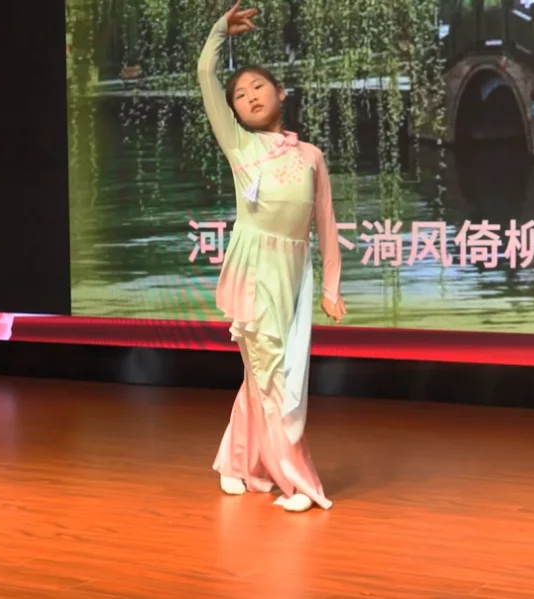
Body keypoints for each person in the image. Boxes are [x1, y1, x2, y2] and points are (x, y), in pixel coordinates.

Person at [197, 0, 346, 513]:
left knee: (264, 374)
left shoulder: (310, 156)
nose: (249, 97)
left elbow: (326, 224)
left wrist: (330, 287)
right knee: (275, 376)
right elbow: (205, 73)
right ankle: (298, 483)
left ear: (280, 93)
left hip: (295, 275)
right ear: (234, 113)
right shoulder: (240, 146)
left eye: (258, 87)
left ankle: (236, 462)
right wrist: (220, 31)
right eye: (240, 95)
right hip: (255, 269)